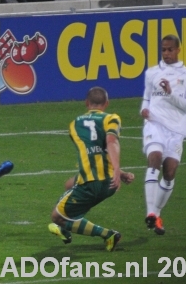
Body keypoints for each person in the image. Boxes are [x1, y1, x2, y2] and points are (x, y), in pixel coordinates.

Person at [47, 87, 135, 252]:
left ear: (86, 103)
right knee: (69, 185)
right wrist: (119, 172)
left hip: (90, 183)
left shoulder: (74, 126)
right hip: (109, 183)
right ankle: (66, 230)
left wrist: (117, 170)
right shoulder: (112, 118)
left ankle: (108, 234)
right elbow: (109, 144)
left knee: (57, 217)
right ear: (107, 103)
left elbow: (99, 146)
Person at [140, 35, 186, 235]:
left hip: (177, 129)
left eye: (170, 50)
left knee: (170, 172)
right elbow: (147, 98)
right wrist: (144, 110)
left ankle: (156, 214)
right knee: (154, 159)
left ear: (178, 50)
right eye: (163, 50)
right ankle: (150, 212)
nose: (166, 53)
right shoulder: (152, 73)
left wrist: (170, 93)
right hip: (155, 125)